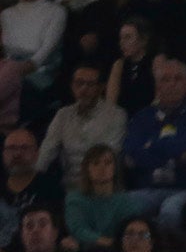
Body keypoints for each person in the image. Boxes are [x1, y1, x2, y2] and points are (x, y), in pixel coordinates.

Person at [122, 58, 186, 230]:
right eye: (165, 79)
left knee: (170, 212)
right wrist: (174, 155)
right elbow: (131, 156)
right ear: (157, 87)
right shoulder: (142, 117)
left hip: (184, 188)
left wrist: (151, 147)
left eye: (178, 79)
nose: (172, 84)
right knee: (122, 207)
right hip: (147, 188)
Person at [37, 64, 127, 192]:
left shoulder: (116, 115)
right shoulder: (63, 115)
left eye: (90, 84)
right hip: (69, 188)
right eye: (79, 83)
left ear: (101, 87)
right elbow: (47, 150)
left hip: (103, 189)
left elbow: (107, 157)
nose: (83, 89)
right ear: (72, 86)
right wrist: (33, 178)